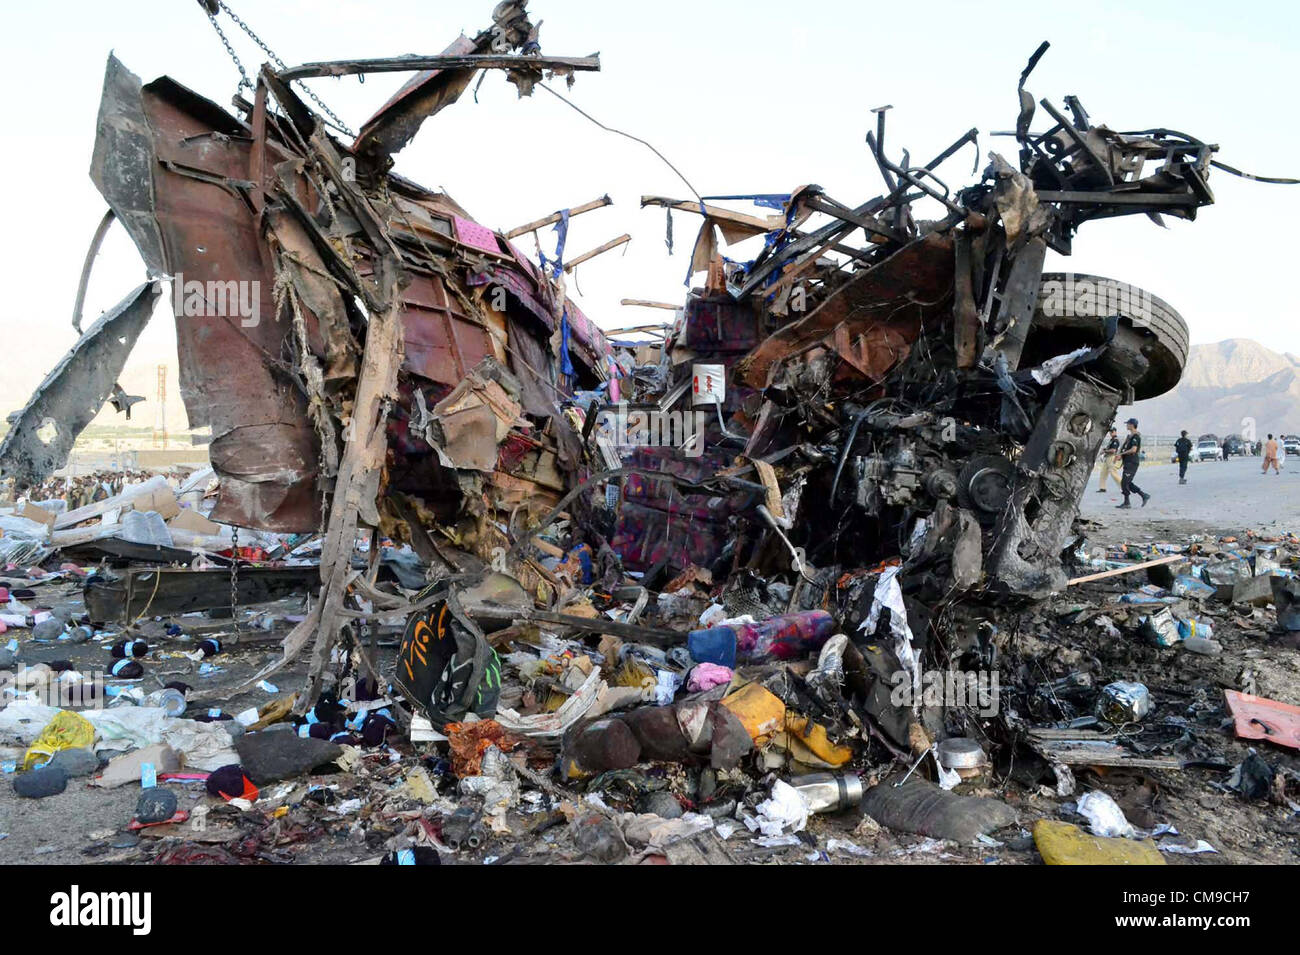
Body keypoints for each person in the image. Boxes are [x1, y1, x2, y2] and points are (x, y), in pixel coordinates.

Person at [1117, 417, 1150, 508]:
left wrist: (1122, 453)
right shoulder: (1130, 436)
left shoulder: (1136, 437)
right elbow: (1126, 448)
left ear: (1132, 425)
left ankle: (1127, 503)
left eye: (1128, 424)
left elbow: (1133, 450)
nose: (1126, 425)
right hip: (1128, 462)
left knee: (1124, 482)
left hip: (1132, 462)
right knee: (1127, 482)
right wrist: (1121, 455)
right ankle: (1143, 495)